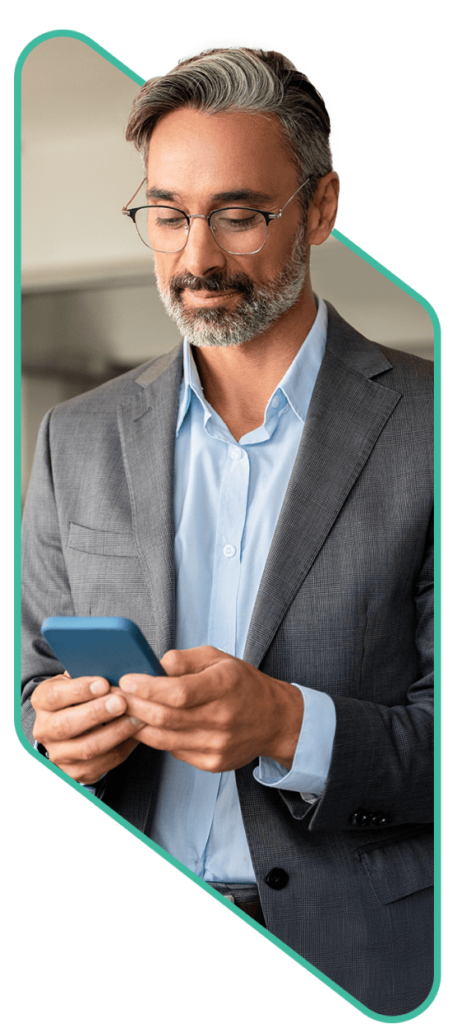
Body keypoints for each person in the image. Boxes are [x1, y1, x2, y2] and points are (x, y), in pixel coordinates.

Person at [21, 45, 433, 1017]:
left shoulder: (434, 425)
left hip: (361, 959)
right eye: (166, 214)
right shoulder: (73, 438)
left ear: (320, 210)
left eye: (238, 214)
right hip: (118, 946)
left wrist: (289, 725)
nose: (195, 257)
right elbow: (32, 676)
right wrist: (52, 735)